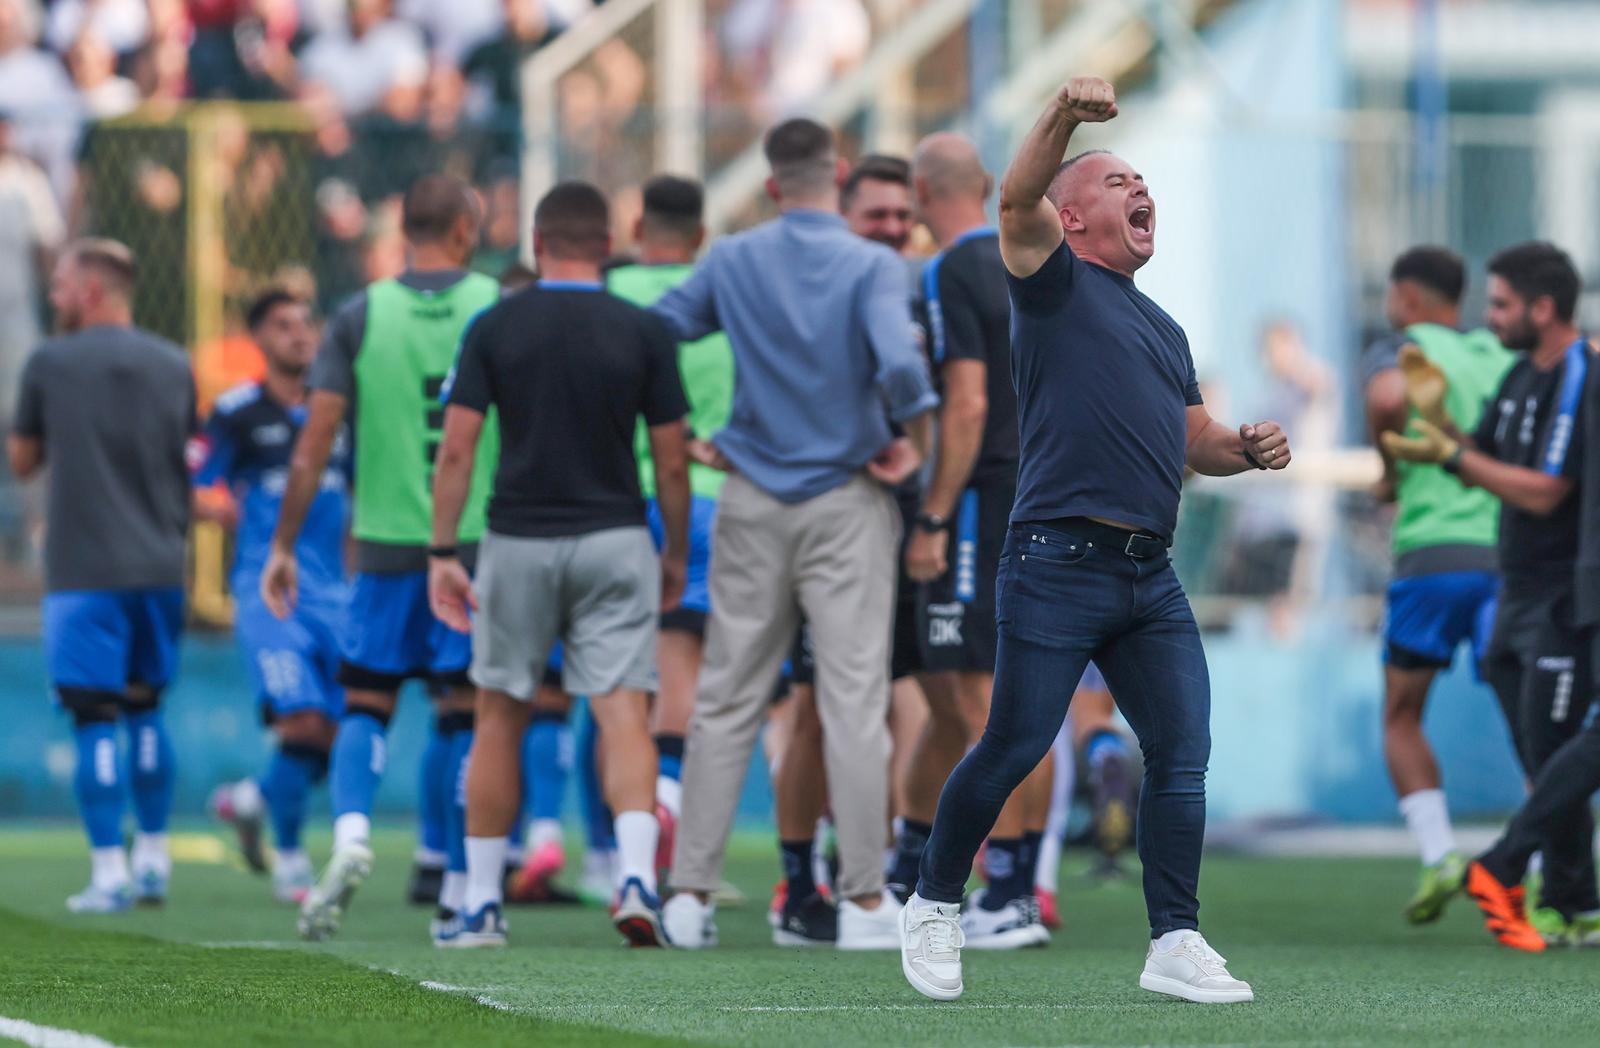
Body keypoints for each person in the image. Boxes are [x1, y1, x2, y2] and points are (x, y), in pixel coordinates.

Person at [897, 77, 1291, 1005]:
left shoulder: (1164, 325)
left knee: (1182, 751)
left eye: (1142, 180)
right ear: (1071, 218)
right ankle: (932, 902)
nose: (1139, 188)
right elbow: (1014, 197)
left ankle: (1175, 941)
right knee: (1015, 743)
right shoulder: (1050, 280)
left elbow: (1197, 441)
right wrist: (1066, 116)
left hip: (1147, 577)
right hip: (1054, 562)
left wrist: (1245, 447)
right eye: (1119, 182)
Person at [653, 117, 938, 952]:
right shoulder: (872, 265)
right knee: (854, 701)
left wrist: (690, 431)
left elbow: (657, 329)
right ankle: (862, 903)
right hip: (846, 498)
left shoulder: (732, 257)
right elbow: (902, 368)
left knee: (725, 700)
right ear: (838, 177)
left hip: (749, 494)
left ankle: (687, 898)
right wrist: (914, 452)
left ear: (772, 185)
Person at [428, 180, 691, 947]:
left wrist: (444, 550)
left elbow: (457, 448)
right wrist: (672, 548)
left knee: (499, 715)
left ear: (538, 244)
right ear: (609, 247)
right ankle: (637, 876)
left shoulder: (495, 325)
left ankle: (479, 902)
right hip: (615, 537)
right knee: (623, 713)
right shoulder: (643, 330)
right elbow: (671, 464)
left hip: (516, 541)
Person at [262, 174, 501, 941]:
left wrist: (283, 543)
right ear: (466, 229)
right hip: (472, 546)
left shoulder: (362, 314)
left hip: (385, 548)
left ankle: (355, 833)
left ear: (401, 230)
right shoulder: (496, 304)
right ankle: (460, 881)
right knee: (465, 714)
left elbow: (314, 443)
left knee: (367, 704)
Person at [1382, 241, 1597, 950]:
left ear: (1543, 308)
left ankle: (1507, 868)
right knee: (1550, 754)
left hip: (1567, 598)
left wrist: (1452, 456)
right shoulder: (1519, 376)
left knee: (1567, 750)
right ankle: (1572, 900)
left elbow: (1544, 491)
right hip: (1516, 596)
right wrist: (1438, 429)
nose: (1489, 315)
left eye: (1502, 304)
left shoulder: (1575, 373)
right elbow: (1487, 458)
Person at [875, 131, 1046, 950]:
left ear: (916, 195)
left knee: (980, 703)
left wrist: (935, 518)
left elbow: (967, 407)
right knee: (960, 703)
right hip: (1046, 491)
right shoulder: (1038, 258)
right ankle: (915, 867)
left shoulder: (952, 269)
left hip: (983, 499)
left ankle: (1007, 893)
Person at [766, 153, 934, 946]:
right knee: (812, 709)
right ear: (843, 216)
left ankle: (885, 868)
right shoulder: (808, 291)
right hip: (828, 518)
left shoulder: (928, 290)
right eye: (879, 216)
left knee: (909, 703)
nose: (894, 229)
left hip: (914, 522)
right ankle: (800, 886)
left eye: (904, 215)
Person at [8, 238, 192, 913]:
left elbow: (23, 460)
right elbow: (187, 458)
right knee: (147, 708)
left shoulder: (50, 362)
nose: (53, 296)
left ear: (89, 291)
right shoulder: (176, 364)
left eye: (59, 285)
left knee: (94, 718)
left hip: (85, 570)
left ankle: (109, 871)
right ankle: (154, 859)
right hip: (162, 566)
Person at [1360, 246, 1512, 924]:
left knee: (1400, 714)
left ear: (1406, 298)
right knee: (1536, 723)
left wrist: (1388, 470)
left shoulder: (1403, 346)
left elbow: (1391, 395)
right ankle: (1545, 868)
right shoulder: (1496, 353)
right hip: (1508, 558)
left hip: (1431, 554)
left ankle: (1440, 852)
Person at [198, 290, 352, 906]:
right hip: (269, 590)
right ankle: (290, 858)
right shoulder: (236, 412)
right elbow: (200, 487)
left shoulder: (338, 410)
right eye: (282, 325)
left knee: (340, 731)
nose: (299, 335)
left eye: (304, 323)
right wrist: (247, 515)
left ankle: (251, 800)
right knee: (302, 719)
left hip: (336, 594)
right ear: (258, 339)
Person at [604, 175, 733, 864]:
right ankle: (671, 803)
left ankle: (616, 840)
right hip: (710, 495)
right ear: (701, 235)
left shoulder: (607, 297)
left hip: (615, 501)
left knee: (613, 679)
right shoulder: (726, 300)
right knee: (688, 668)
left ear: (634, 230)